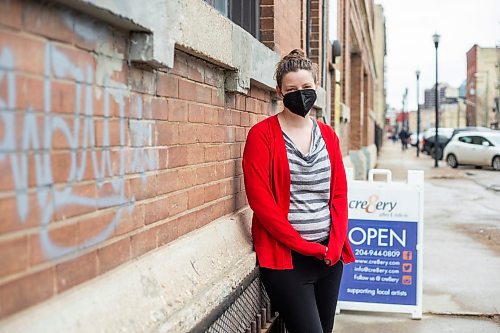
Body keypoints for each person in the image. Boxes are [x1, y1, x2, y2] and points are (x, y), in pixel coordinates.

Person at [242, 49, 355, 333]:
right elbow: (262, 203)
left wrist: (334, 246)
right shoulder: (262, 135)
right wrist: (306, 247)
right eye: (291, 89)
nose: (300, 94)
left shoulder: (328, 136)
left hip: (329, 260)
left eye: (306, 87)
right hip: (287, 262)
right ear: (280, 91)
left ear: (316, 87)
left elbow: (339, 195)